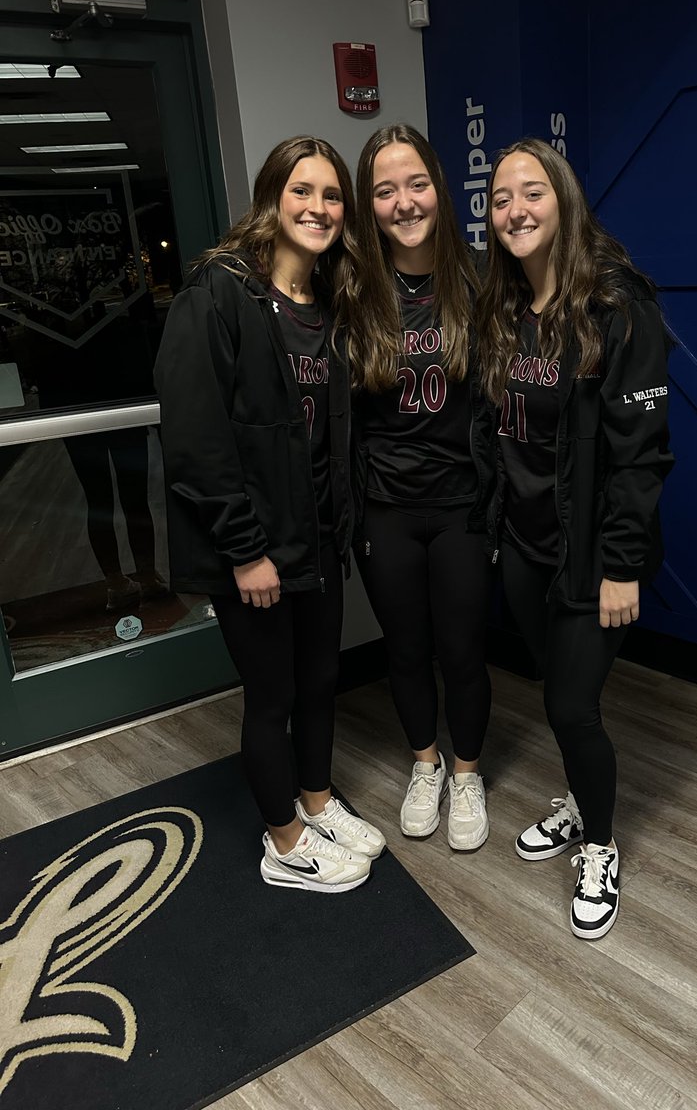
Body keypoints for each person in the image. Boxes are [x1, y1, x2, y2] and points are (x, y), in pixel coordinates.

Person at [154, 136, 385, 893]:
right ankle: (285, 842)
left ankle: (316, 803)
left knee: (322, 681)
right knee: (274, 696)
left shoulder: (331, 304)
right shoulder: (219, 291)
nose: (318, 208)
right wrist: (245, 550)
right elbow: (195, 437)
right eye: (302, 192)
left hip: (318, 537)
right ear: (271, 199)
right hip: (253, 547)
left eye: (331, 197)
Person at [478, 138, 674, 939]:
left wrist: (623, 565)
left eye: (531, 193)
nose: (515, 210)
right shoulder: (503, 310)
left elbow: (641, 453)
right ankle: (579, 799)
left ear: (563, 202)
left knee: (572, 705)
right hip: (524, 548)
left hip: (595, 559)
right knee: (555, 699)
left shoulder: (617, 308)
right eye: (499, 199)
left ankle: (599, 843)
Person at [337, 124, 495, 850]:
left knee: (461, 649)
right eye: (385, 190)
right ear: (369, 206)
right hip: (387, 508)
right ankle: (424, 763)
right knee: (405, 649)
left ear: (439, 187)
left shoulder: (482, 281)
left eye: (417, 184)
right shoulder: (351, 292)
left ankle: (466, 772)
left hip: (462, 503)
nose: (404, 202)